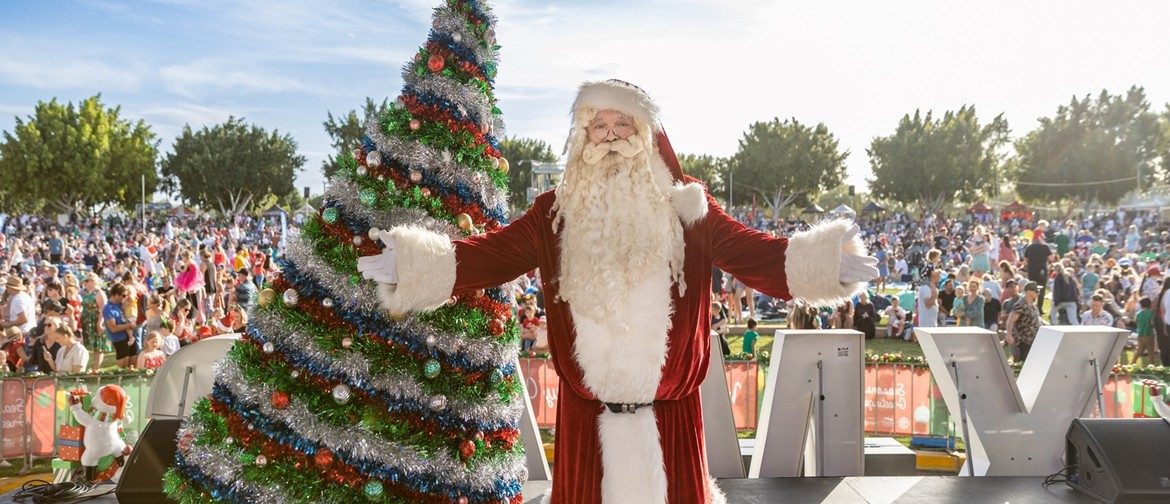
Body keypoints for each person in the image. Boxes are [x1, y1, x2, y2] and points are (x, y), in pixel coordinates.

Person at [356, 80, 877, 503]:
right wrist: (413, 265)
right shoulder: (551, 216)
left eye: (621, 125)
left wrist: (828, 262)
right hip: (588, 429)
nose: (608, 138)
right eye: (597, 127)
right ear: (583, 139)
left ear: (645, 134)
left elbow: (757, 255)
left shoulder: (688, 210)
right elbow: (485, 256)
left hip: (672, 425)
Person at [103, 283, 139, 368]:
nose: (125, 298)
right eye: (123, 296)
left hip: (129, 337)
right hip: (119, 340)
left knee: (133, 364)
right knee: (123, 367)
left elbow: (132, 299)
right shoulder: (108, 308)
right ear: (116, 295)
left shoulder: (120, 304)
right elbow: (113, 328)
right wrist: (129, 325)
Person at [1006, 281, 1043, 362]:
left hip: (1034, 340)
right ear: (1029, 291)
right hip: (1025, 341)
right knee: (1024, 363)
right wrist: (1009, 335)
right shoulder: (1021, 304)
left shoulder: (1033, 304)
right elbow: (1011, 320)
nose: (1038, 293)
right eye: (1036, 291)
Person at [1023, 230, 1053, 315]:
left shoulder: (1029, 247)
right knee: (1041, 290)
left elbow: (1025, 260)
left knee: (1031, 288)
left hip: (1032, 270)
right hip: (1042, 270)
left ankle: (1030, 306)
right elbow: (1051, 258)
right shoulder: (1045, 247)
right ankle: (1039, 308)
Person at [1134, 298, 1157, 367]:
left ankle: (1133, 362)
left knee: (1139, 350)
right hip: (1149, 334)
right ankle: (1151, 365)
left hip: (1140, 334)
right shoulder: (1150, 313)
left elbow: (1137, 323)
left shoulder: (1138, 314)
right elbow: (1152, 323)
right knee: (1151, 351)